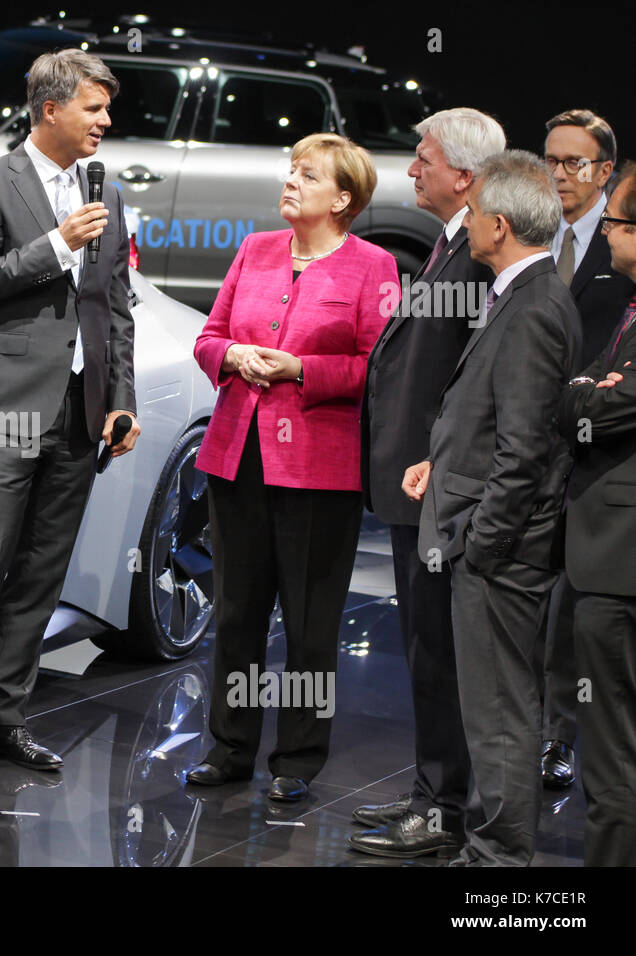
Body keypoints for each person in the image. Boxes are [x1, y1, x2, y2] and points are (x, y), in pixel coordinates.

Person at [0, 49, 140, 777]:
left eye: (107, 109)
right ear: (51, 110)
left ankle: (6, 719)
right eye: (94, 108)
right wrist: (53, 246)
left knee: (43, 571)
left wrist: (122, 398)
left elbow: (117, 303)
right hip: (8, 405)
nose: (106, 121)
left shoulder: (108, 190)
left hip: (82, 406)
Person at [185, 133, 396, 803]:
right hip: (236, 456)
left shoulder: (374, 266)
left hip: (317, 470)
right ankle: (228, 748)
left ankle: (298, 757)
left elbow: (377, 367)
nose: (291, 182)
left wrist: (303, 368)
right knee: (238, 612)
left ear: (342, 198)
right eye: (290, 171)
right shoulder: (255, 250)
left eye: (307, 176)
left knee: (308, 621)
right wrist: (231, 359)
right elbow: (208, 335)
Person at [406, 150, 581, 866]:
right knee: (494, 708)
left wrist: (483, 541)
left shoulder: (534, 306)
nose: (467, 223)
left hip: (500, 553)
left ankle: (500, 859)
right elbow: (489, 420)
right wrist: (439, 463)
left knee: (503, 712)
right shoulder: (520, 292)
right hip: (488, 534)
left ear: (500, 224)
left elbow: (525, 447)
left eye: (475, 214)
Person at [351, 108, 504, 858]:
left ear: (465, 177)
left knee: (439, 652)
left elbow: (476, 383)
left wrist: (443, 466)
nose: (411, 169)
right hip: (414, 487)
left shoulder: (481, 252)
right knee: (423, 648)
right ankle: (429, 793)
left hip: (438, 492)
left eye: (423, 157)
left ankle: (445, 810)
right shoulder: (452, 243)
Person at [538, 109, 635, 790]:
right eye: (551, 160)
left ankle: (564, 740)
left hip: (600, 459)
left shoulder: (623, 242)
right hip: (537, 451)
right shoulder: (530, 233)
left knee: (579, 614)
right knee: (539, 607)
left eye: (574, 162)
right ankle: (539, 733)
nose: (561, 174)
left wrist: (581, 394)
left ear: (605, 170)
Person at [557, 161, 636, 865]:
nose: (604, 233)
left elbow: (604, 404)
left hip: (618, 564)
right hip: (612, 555)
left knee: (612, 751)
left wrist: (583, 388)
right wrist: (598, 386)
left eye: (613, 222)